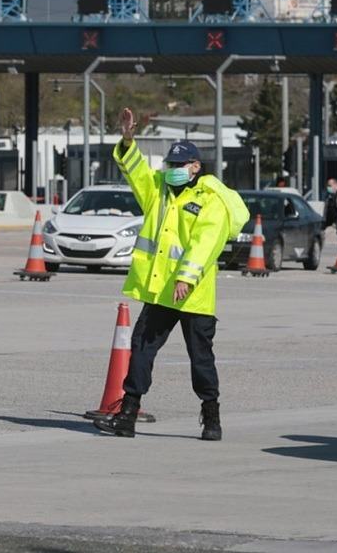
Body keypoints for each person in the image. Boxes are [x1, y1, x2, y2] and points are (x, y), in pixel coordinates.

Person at [94, 108, 249, 441]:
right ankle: (128, 414)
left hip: (193, 295)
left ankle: (211, 417)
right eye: (170, 166)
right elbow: (134, 171)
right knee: (141, 349)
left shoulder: (211, 200)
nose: (173, 171)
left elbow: (204, 244)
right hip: (161, 290)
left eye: (179, 166)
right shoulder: (159, 191)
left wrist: (186, 278)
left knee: (200, 358)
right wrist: (128, 139)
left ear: (195, 167)